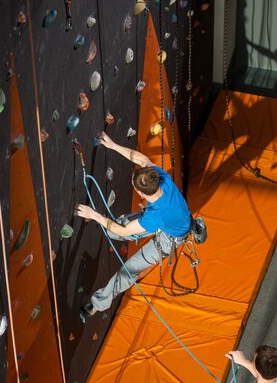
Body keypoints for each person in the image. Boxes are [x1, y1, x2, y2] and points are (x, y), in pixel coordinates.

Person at [75, 132, 191, 321]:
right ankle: (107, 225)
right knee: (115, 230)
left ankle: (97, 304)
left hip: (169, 238)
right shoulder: (160, 178)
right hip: (170, 219)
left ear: (141, 194)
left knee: (129, 269)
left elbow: (122, 231)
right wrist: (113, 145)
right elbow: (142, 159)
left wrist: (94, 215)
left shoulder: (154, 217)